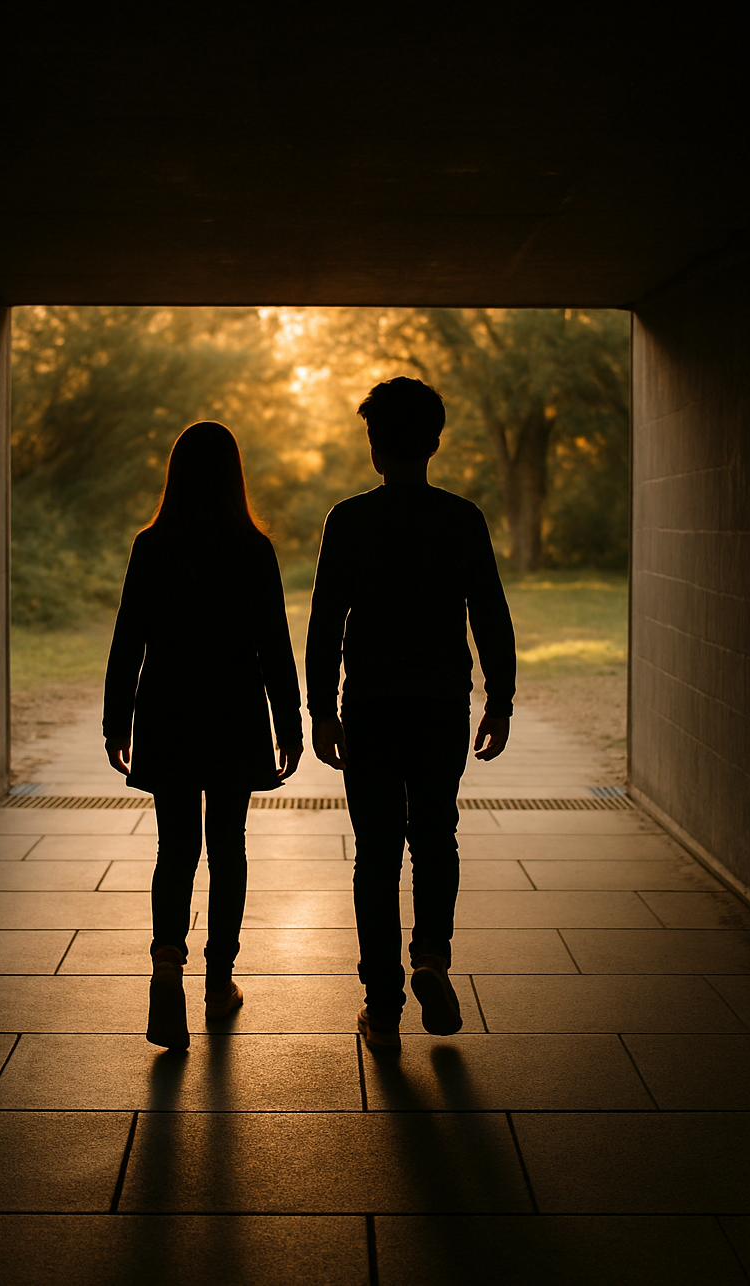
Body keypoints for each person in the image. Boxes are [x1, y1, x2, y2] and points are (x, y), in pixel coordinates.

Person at [306, 377, 516, 1050]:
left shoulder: (350, 520)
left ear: (376, 445)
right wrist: (499, 700)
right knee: (434, 834)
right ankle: (430, 955)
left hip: (370, 705)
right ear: (433, 442)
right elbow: (490, 615)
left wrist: (320, 710)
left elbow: (323, 624)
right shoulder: (460, 519)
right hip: (440, 705)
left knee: (376, 854)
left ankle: (384, 1007)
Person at [103, 421, 303, 1051]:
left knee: (175, 848)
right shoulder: (253, 549)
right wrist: (290, 725)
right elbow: (274, 645)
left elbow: (127, 641)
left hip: (167, 712)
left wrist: (116, 721)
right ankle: (219, 981)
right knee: (228, 848)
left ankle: (167, 964)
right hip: (234, 714)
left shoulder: (151, 546)